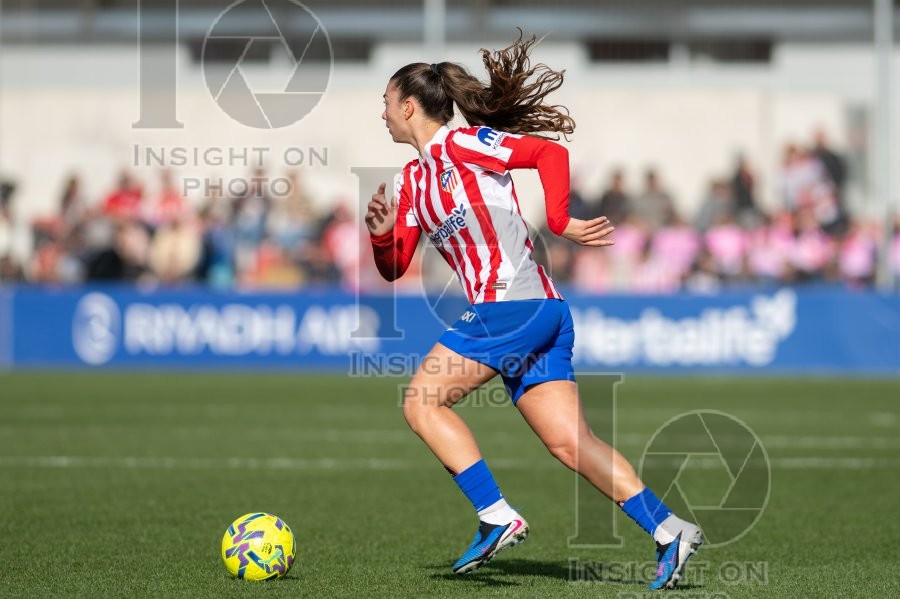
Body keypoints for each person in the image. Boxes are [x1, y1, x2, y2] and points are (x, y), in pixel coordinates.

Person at [364, 33, 703, 591]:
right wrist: (380, 234)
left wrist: (563, 220)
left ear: (408, 106)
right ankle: (669, 529)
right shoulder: (410, 183)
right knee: (571, 444)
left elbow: (549, 153)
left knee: (423, 402)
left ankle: (496, 516)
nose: (381, 114)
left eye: (384, 102)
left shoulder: (465, 144)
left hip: (511, 304)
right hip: (539, 312)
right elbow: (396, 265)